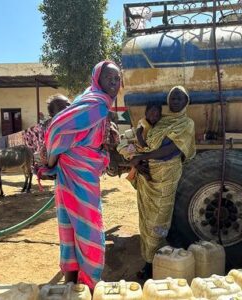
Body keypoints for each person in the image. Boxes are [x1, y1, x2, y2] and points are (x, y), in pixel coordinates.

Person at [42, 61, 121, 289]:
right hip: (78, 171)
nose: (114, 83)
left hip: (78, 172)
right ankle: (89, 284)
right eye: (109, 78)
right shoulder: (96, 104)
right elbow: (58, 128)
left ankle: (72, 282)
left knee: (71, 226)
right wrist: (51, 159)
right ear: (97, 78)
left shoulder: (94, 101)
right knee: (90, 229)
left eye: (117, 79)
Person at [125, 86, 196, 280]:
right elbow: (139, 139)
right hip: (148, 177)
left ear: (186, 102)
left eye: (179, 98)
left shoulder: (186, 123)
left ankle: (155, 263)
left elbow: (171, 150)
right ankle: (150, 262)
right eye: (172, 98)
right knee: (146, 219)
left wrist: (142, 157)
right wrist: (139, 163)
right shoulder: (160, 121)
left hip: (167, 177)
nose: (175, 101)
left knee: (159, 218)